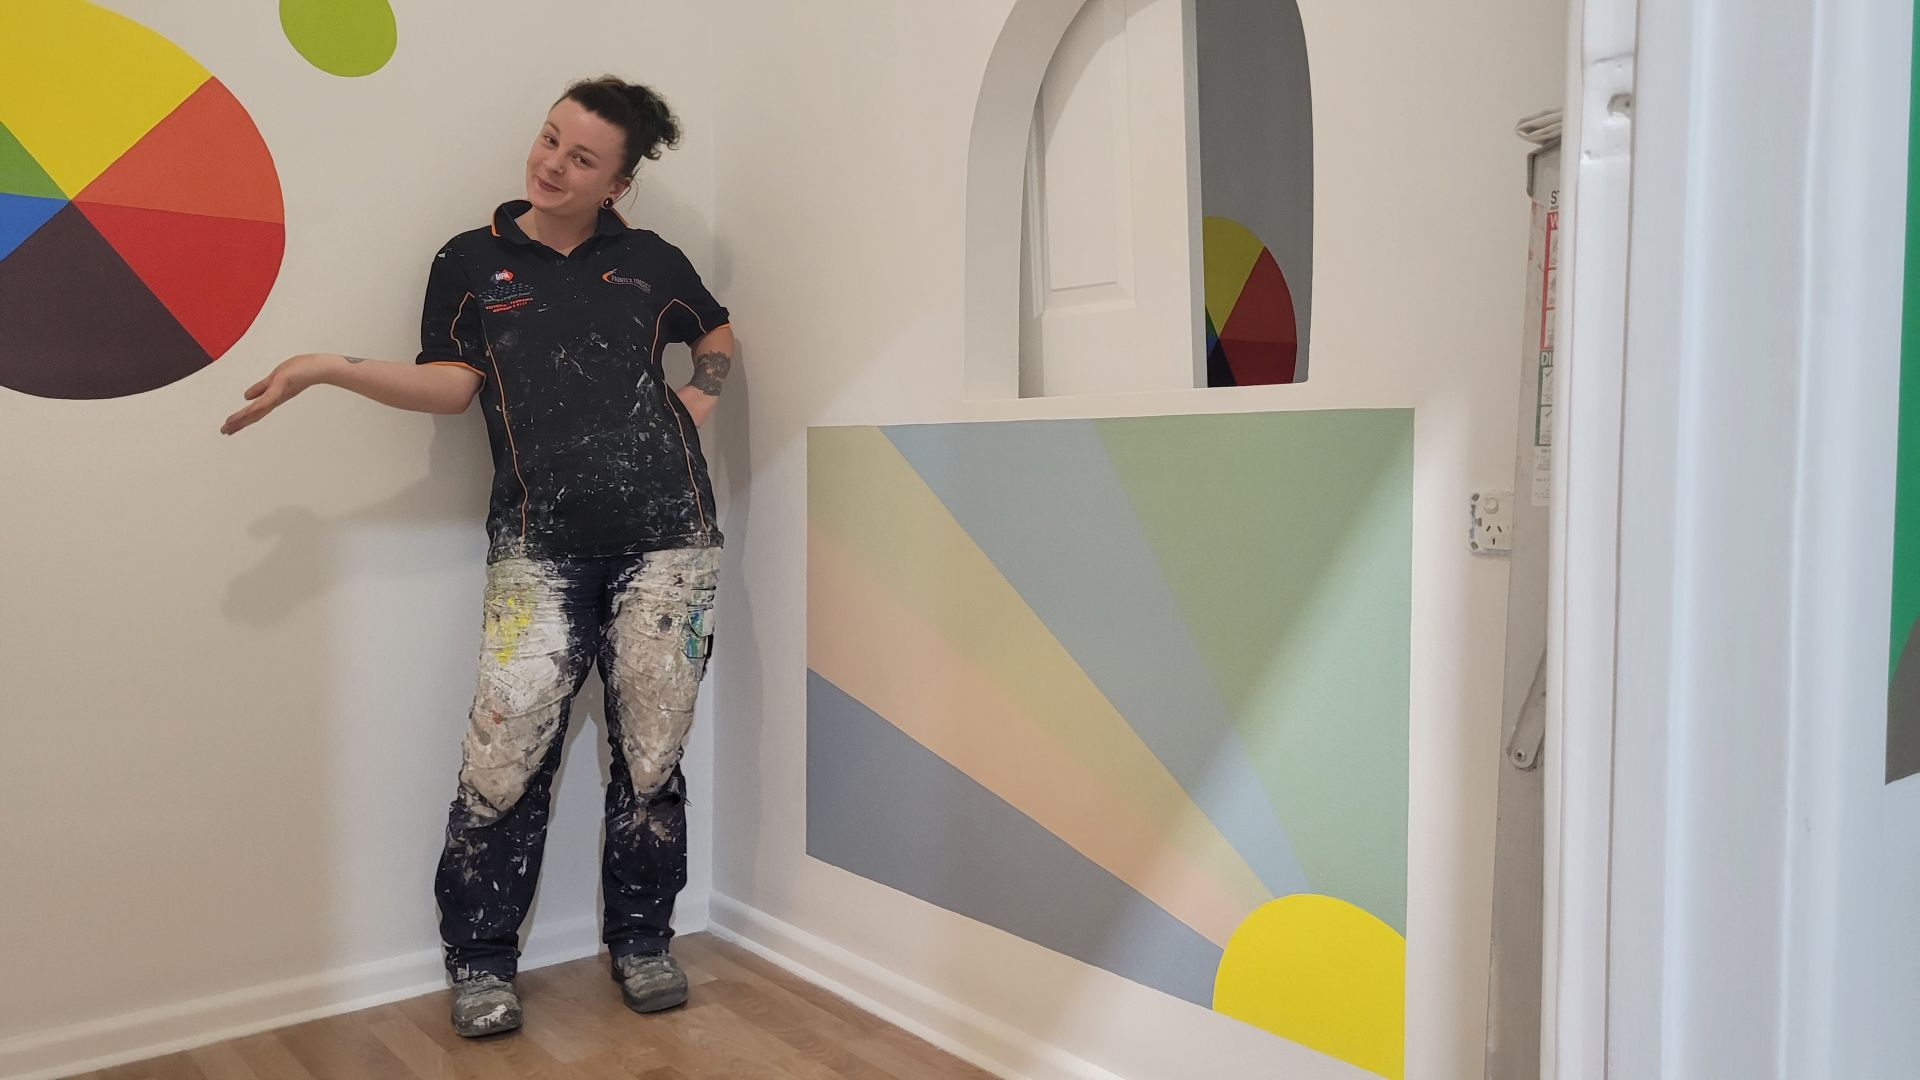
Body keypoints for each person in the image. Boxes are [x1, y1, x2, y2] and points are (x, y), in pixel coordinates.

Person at [222, 76, 736, 1038]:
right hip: (536, 547)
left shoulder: (652, 262)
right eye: (549, 139)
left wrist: (696, 400)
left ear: (618, 183)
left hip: (671, 541)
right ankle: (482, 963)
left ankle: (642, 940)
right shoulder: (468, 260)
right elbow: (451, 385)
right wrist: (328, 368)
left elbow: (713, 327)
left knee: (653, 756)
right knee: (501, 759)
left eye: (582, 158)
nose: (552, 163)